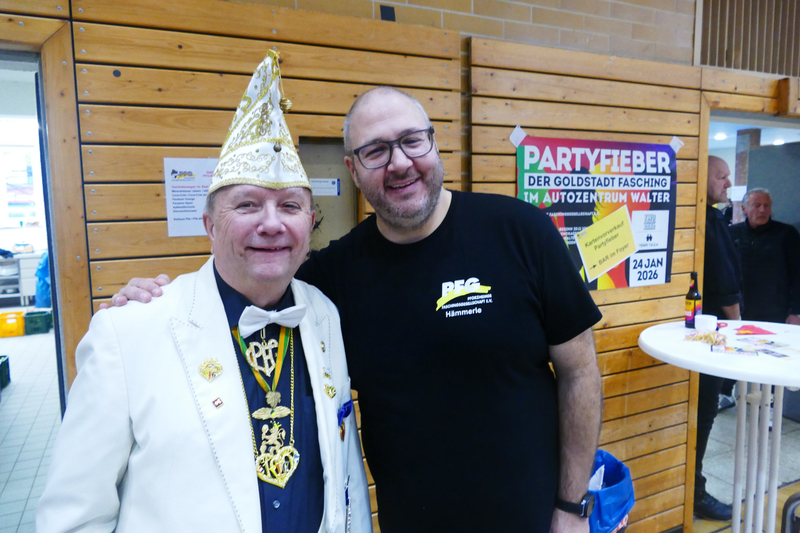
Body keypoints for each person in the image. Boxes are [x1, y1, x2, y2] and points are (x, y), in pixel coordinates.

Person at [111, 86, 604, 533]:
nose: (400, 162)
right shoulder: (330, 280)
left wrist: (572, 505)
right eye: (376, 151)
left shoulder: (521, 232)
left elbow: (580, 372)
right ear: (352, 169)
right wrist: (154, 301)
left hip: (537, 520)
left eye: (412, 141)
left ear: (433, 144)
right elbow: (245, 280)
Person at [36, 51, 371, 533]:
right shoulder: (127, 332)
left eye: (290, 206)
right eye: (248, 204)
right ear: (210, 226)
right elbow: (73, 518)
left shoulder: (323, 315)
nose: (272, 224)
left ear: (310, 224)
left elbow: (346, 476)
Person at [694, 155, 742, 521]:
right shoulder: (706, 221)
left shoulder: (713, 217)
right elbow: (725, 284)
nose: (728, 183)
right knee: (705, 411)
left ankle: (693, 488)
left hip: (705, 330)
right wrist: (738, 328)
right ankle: (695, 492)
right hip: (712, 334)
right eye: (722, 176)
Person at [730, 188, 800, 326]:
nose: (762, 210)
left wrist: (795, 311)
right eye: (757, 206)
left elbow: (798, 274)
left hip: (776, 311)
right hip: (739, 310)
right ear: (744, 209)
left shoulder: (786, 234)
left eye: (766, 206)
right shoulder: (732, 233)